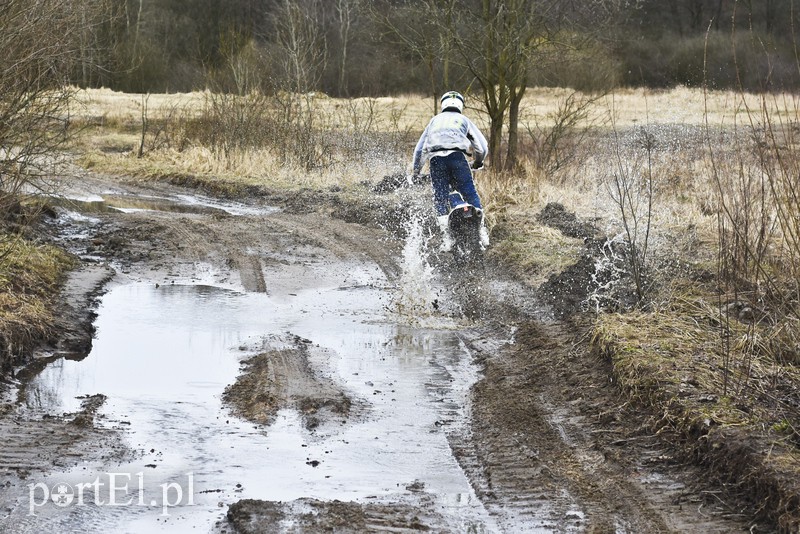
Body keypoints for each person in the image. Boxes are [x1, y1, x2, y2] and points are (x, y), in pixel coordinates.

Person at [412, 90, 490, 250]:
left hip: (437, 161)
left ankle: (447, 239)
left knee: (440, 197)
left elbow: (419, 150)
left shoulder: (434, 121)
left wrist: (416, 171)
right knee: (470, 192)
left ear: (443, 104)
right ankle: (482, 232)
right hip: (457, 158)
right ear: (460, 104)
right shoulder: (463, 120)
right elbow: (481, 147)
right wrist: (477, 162)